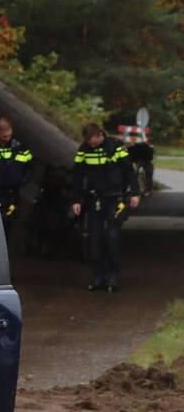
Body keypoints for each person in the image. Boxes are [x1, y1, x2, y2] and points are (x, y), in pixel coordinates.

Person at [71, 124, 140, 292]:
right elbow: (78, 175)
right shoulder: (84, 149)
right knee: (94, 238)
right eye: (88, 142)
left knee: (112, 235)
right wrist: (76, 200)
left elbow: (129, 171)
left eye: (93, 141)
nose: (91, 144)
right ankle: (98, 277)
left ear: (100, 134)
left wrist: (135, 193)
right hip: (95, 199)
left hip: (115, 198)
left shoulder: (115, 147)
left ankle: (113, 276)